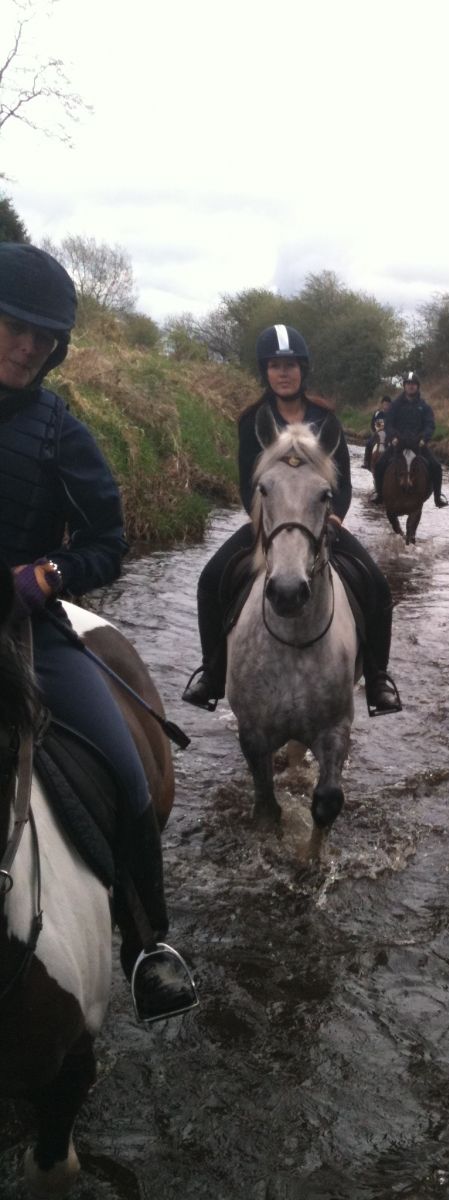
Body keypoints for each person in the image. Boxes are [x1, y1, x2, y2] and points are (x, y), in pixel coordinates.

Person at [0, 242, 197, 1024]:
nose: (28, 346)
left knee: (124, 765)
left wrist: (47, 574)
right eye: (15, 326)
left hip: (26, 630)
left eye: (44, 337)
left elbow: (107, 543)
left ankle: (148, 944)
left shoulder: (62, 434)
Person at [181, 323, 402, 717]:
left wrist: (335, 518)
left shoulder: (326, 419)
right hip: (268, 523)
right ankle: (212, 673)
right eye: (274, 366)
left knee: (378, 586)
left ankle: (378, 679)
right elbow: (247, 484)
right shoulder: (253, 420)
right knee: (211, 580)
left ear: (303, 369)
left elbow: (343, 483)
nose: (283, 373)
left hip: (320, 524)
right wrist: (263, 520)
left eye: (290, 365)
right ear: (265, 371)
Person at [372, 372, 448, 507]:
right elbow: (388, 424)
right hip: (398, 443)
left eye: (413, 384)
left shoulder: (424, 406)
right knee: (379, 465)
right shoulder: (395, 405)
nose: (410, 386)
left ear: (417, 386)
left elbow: (430, 425)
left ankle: (438, 497)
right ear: (404, 386)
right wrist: (393, 437)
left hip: (418, 444)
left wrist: (424, 438)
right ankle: (379, 494)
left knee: (436, 466)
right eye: (408, 384)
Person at [362, 394, 392, 471]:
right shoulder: (377, 413)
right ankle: (366, 462)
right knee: (368, 443)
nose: (386, 406)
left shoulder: (392, 415)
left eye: (388, 404)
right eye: (385, 404)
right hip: (378, 434)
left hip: (388, 435)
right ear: (382, 404)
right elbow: (372, 424)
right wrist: (375, 432)